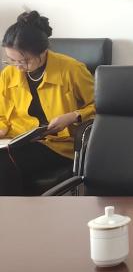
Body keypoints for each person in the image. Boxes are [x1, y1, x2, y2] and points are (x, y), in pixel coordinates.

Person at [0, 11, 95, 195]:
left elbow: (103, 107)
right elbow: (2, 114)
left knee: (4, 164)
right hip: (17, 141)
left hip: (59, 144)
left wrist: (74, 116)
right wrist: (2, 128)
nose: (18, 67)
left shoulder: (71, 70)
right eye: (11, 60)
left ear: (43, 52)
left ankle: (12, 212)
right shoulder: (8, 74)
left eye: (24, 61)